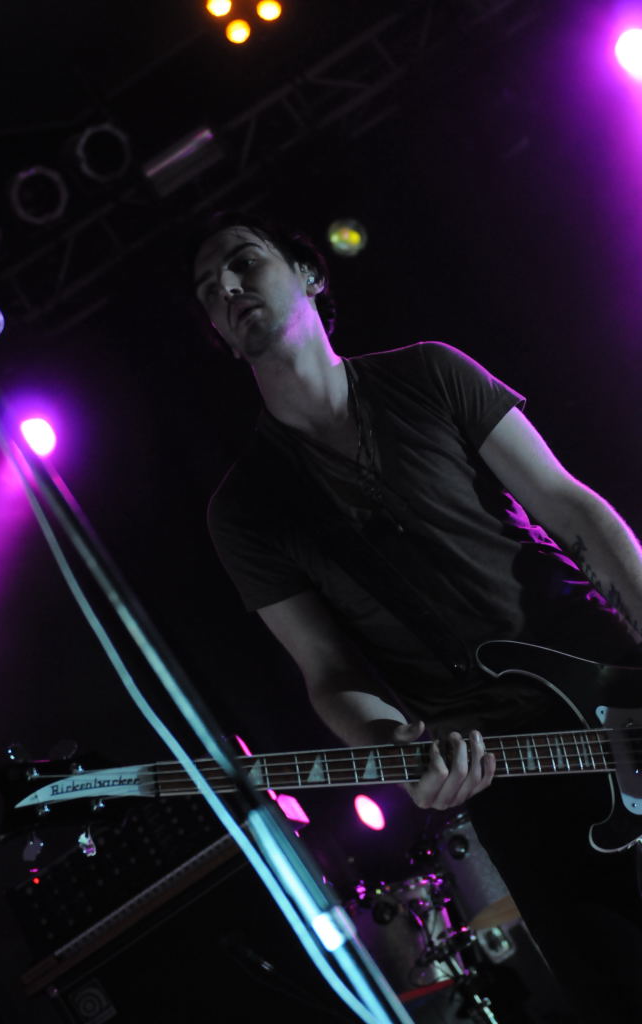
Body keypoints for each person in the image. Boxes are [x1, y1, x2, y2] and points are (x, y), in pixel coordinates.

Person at [190, 210, 642, 1022]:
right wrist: (394, 747)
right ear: (218, 335)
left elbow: (570, 507)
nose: (225, 288)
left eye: (243, 263)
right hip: (504, 771)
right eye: (207, 292)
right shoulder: (244, 508)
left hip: (616, 692)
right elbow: (329, 672)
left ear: (309, 273)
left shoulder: (430, 371)